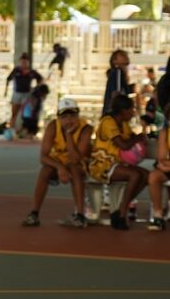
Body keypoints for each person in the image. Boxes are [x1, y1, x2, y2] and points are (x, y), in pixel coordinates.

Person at [22, 98, 92, 228]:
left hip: (79, 164)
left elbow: (76, 158)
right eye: (64, 116)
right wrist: (60, 168)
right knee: (45, 171)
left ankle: (80, 215)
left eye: (72, 115)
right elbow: (43, 156)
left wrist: (69, 135)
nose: (69, 119)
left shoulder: (86, 129)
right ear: (59, 117)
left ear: (78, 115)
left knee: (75, 170)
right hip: (59, 162)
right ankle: (34, 213)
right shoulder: (53, 126)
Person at [87, 95, 148, 230]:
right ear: (123, 111)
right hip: (102, 165)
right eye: (131, 109)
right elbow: (124, 145)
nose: (133, 112)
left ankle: (120, 208)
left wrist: (139, 138)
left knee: (146, 175)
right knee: (135, 175)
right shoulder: (108, 122)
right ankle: (122, 212)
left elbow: (130, 137)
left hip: (117, 164)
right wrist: (138, 137)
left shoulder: (124, 123)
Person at [5, 53, 44, 130]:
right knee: (14, 113)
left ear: (28, 62)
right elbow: (8, 79)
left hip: (27, 94)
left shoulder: (32, 71)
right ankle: (11, 129)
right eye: (22, 62)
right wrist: (5, 91)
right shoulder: (16, 70)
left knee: (26, 114)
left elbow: (40, 79)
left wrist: (35, 87)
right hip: (17, 93)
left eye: (25, 62)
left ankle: (25, 130)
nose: (24, 64)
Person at [148, 120, 170, 230]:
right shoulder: (164, 132)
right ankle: (158, 216)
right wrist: (163, 165)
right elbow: (162, 159)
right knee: (154, 176)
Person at [101, 49, 132, 117]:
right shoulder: (118, 72)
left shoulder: (118, 74)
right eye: (121, 55)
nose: (125, 57)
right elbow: (116, 93)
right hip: (115, 114)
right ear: (114, 61)